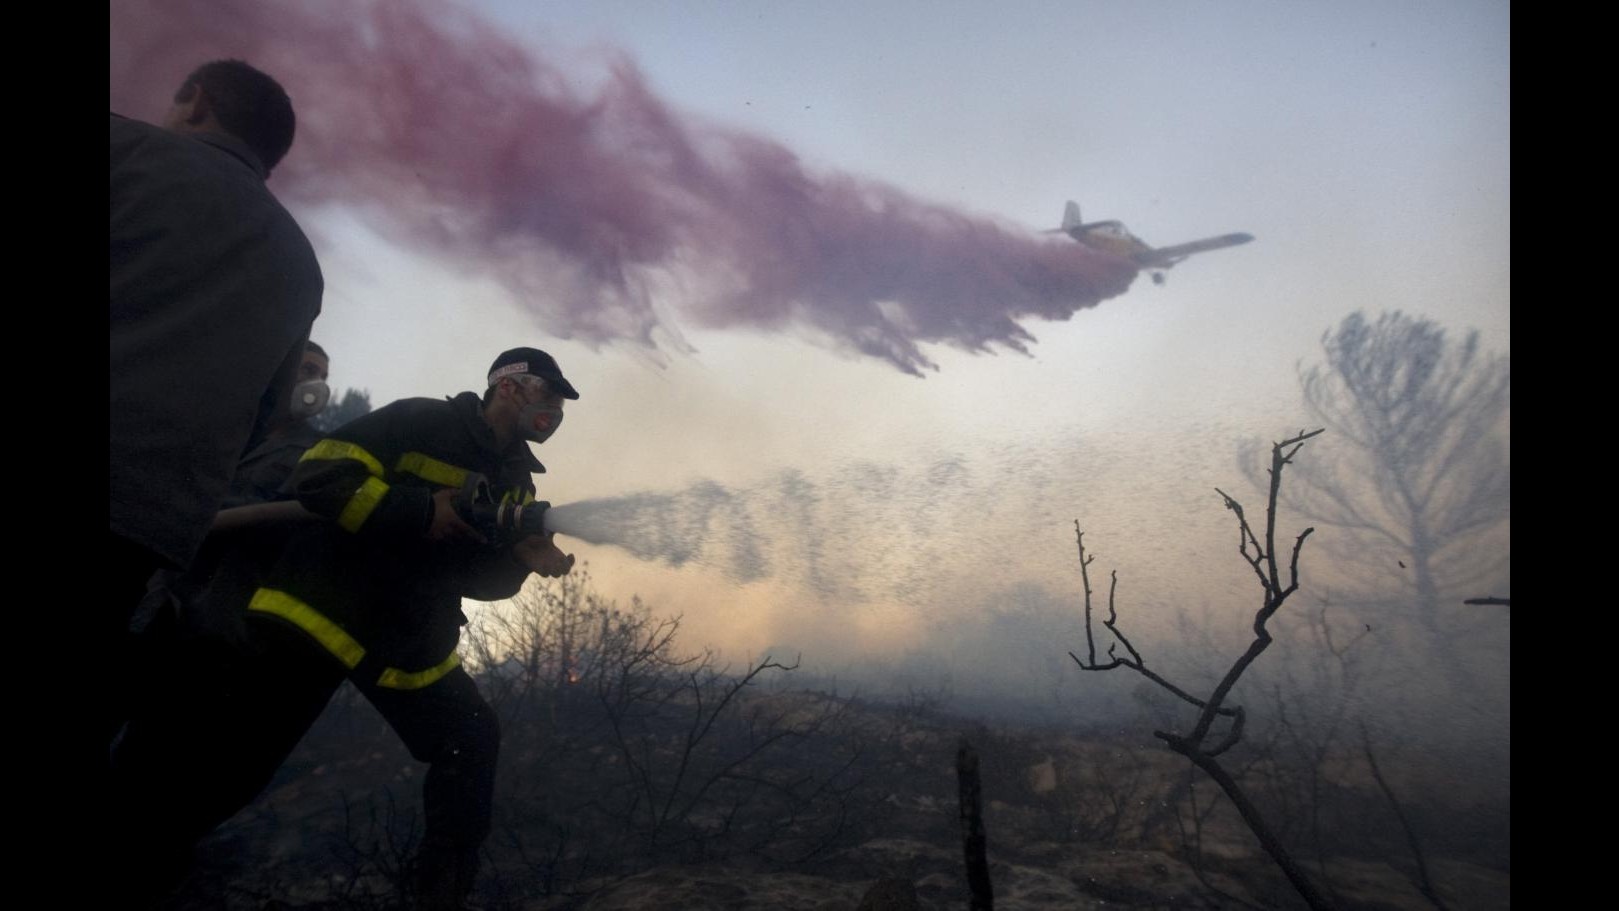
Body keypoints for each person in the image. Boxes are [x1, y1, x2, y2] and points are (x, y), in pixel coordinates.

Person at [114, 348, 579, 910]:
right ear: (509, 387)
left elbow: (482, 584)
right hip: (320, 620)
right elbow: (321, 476)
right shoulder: (420, 421)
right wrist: (419, 510)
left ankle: (442, 893)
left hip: (406, 637)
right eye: (548, 392)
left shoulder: (517, 485)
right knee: (218, 776)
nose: (555, 408)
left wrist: (517, 558)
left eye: (561, 401)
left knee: (471, 737)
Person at [110, 59, 324, 743]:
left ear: (196, 101)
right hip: (142, 531)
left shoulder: (128, 151)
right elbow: (266, 414)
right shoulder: (300, 264)